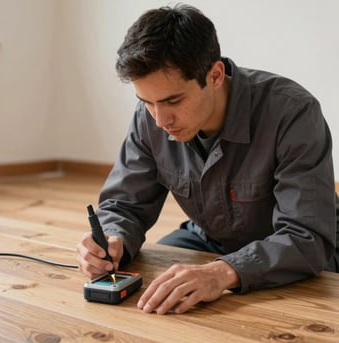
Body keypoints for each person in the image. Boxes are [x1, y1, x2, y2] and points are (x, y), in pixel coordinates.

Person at [77, 4, 339, 314]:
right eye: (146, 102)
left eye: (173, 100)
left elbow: (307, 236)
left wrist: (222, 272)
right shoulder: (150, 119)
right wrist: (111, 238)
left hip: (300, 253)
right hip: (209, 240)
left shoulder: (292, 112)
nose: (160, 120)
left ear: (214, 75)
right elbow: (124, 205)